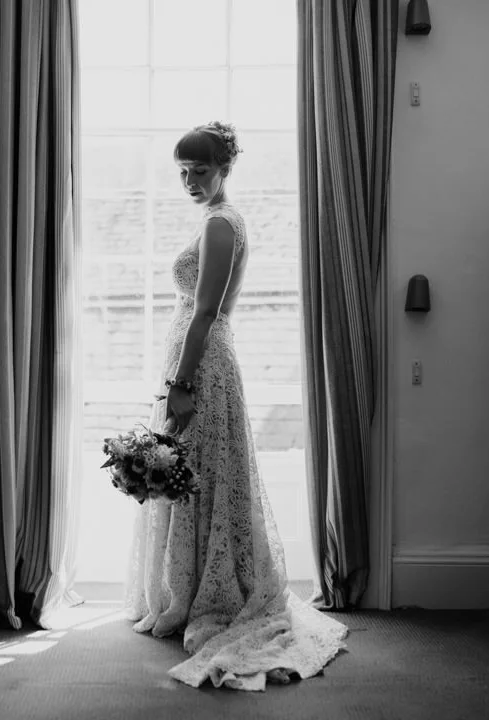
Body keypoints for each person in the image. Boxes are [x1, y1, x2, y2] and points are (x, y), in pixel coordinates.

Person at [124, 121, 349, 691]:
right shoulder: (213, 220)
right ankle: (188, 588)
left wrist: (182, 380)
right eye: (182, 172)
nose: (190, 181)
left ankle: (212, 593)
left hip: (204, 366)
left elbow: (205, 310)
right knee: (192, 473)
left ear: (223, 169)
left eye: (200, 171)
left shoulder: (223, 223)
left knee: (202, 474)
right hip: (199, 360)